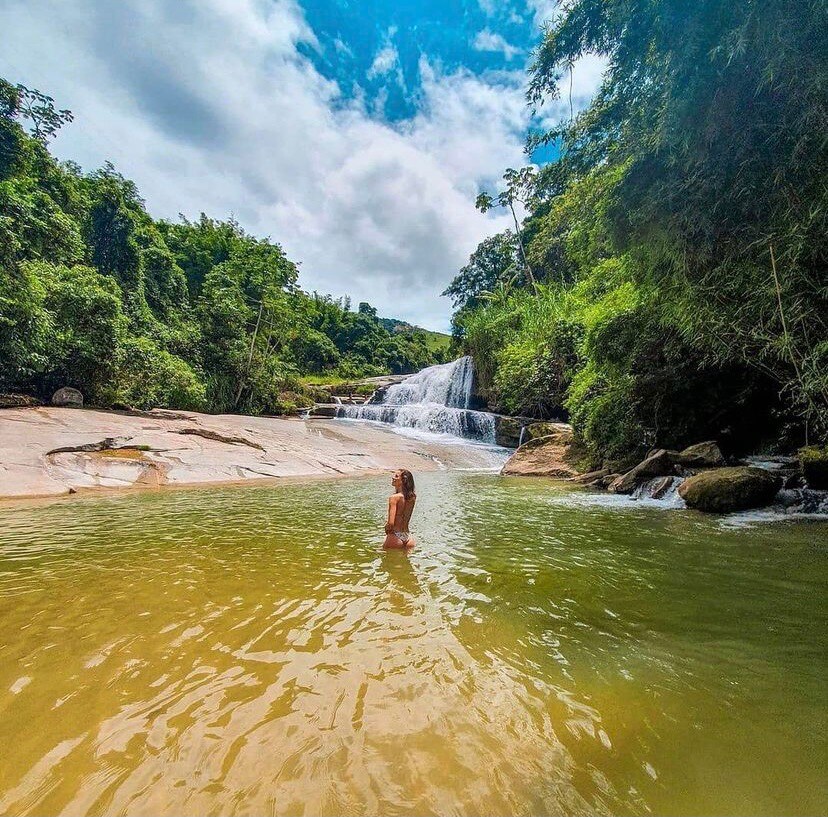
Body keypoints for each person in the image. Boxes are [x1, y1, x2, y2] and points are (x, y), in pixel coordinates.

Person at [383, 469, 417, 549]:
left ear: (403, 481)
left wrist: (386, 529)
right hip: (408, 537)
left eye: (396, 476)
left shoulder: (394, 498)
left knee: (386, 559)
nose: (393, 477)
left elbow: (391, 523)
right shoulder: (412, 497)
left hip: (395, 536)